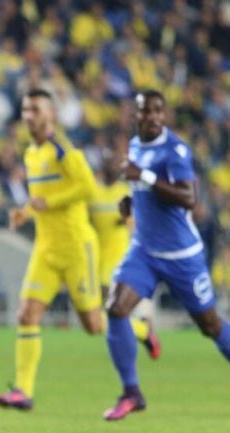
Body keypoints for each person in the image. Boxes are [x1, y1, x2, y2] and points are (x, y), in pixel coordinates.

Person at [0, 89, 151, 411]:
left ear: (51, 114)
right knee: (27, 314)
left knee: (93, 325)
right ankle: (23, 391)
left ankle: (141, 329)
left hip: (77, 247)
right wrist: (26, 211)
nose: (28, 116)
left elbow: (87, 188)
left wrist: (47, 202)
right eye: (24, 110)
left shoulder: (63, 149)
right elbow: (41, 199)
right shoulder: (31, 154)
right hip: (46, 249)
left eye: (35, 109)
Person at [102, 90, 230, 421]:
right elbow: (141, 186)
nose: (153, 118)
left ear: (164, 115)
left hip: (181, 255)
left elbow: (189, 197)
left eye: (159, 112)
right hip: (144, 250)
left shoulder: (175, 150)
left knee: (210, 325)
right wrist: (132, 201)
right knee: (116, 308)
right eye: (146, 112)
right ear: (136, 115)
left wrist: (142, 177)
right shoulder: (134, 145)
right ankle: (131, 393)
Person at [90, 154, 160, 357]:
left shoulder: (124, 191)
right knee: (105, 312)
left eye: (114, 165)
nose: (111, 169)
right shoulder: (94, 192)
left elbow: (139, 218)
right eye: (108, 164)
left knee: (106, 308)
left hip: (121, 254)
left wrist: (127, 221)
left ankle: (140, 333)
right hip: (98, 255)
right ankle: (142, 331)